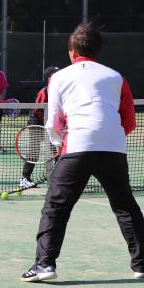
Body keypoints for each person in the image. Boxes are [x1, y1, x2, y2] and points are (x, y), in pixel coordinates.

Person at [21, 23, 144, 282]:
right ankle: (142, 263)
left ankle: (44, 265)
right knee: (125, 205)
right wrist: (109, 137)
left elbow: (52, 120)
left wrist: (58, 146)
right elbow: (129, 121)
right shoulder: (116, 77)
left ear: (72, 51)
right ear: (97, 51)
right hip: (114, 148)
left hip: (77, 147)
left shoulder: (59, 78)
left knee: (55, 207)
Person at [19, 66, 59, 189]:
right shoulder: (44, 92)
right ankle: (24, 178)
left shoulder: (59, 91)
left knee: (57, 151)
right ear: (49, 78)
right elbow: (37, 110)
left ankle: (58, 178)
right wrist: (47, 124)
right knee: (34, 151)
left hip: (49, 123)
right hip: (36, 122)